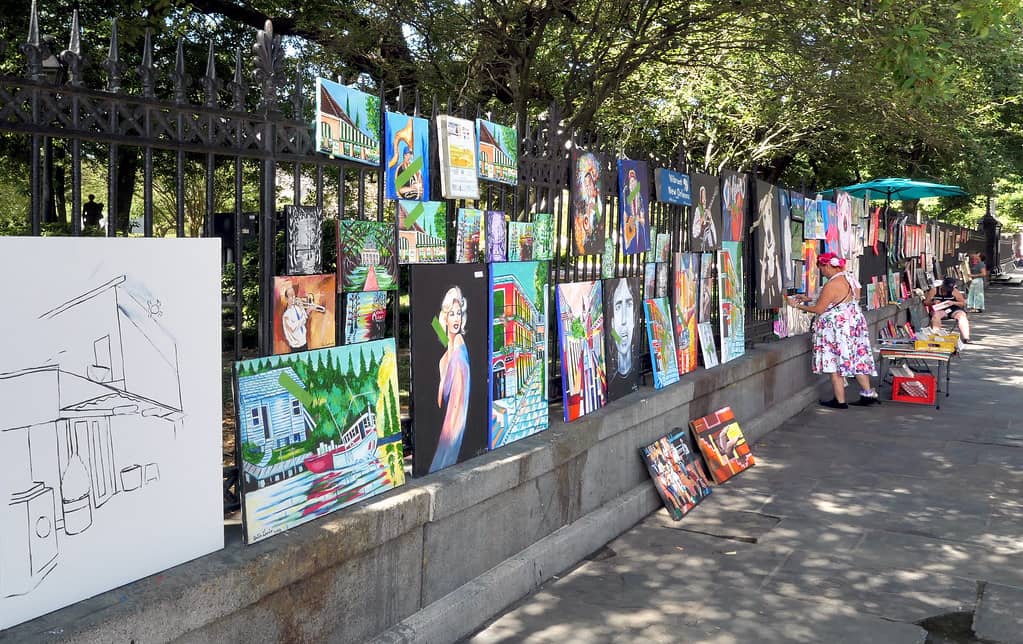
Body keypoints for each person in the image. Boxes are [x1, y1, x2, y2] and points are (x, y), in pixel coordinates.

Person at [786, 252, 879, 409]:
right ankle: (868, 393)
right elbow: (842, 298)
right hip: (853, 326)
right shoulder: (849, 278)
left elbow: (820, 309)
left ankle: (840, 401)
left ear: (828, 265)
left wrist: (797, 305)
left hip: (836, 330)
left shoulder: (832, 284)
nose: (822, 272)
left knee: (834, 363)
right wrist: (809, 298)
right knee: (856, 359)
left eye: (821, 268)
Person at [431, 286, 470, 472]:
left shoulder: (459, 351)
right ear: (444, 318)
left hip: (450, 446)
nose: (456, 318)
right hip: (438, 443)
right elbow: (437, 329)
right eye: (452, 314)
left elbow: (457, 412)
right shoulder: (443, 359)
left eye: (459, 313)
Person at [925, 277, 971, 342]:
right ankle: (937, 336)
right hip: (940, 309)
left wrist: (953, 302)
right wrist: (933, 302)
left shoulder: (954, 291)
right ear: (942, 285)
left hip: (953, 309)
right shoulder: (934, 290)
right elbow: (926, 302)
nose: (947, 290)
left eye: (949, 289)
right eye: (946, 288)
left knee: (962, 316)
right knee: (936, 316)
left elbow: (963, 303)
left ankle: (966, 337)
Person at [281, 283, 324, 352]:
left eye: (294, 295)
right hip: (296, 347)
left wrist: (302, 308)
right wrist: (307, 312)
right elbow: (294, 327)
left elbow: (303, 320)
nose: (294, 298)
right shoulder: (286, 315)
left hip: (304, 343)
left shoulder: (296, 308)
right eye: (291, 296)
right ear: (286, 299)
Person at [609, 278, 636, 380]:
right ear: (612, 322)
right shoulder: (611, 377)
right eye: (618, 307)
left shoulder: (635, 369)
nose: (624, 320)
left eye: (629, 305)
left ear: (634, 319)